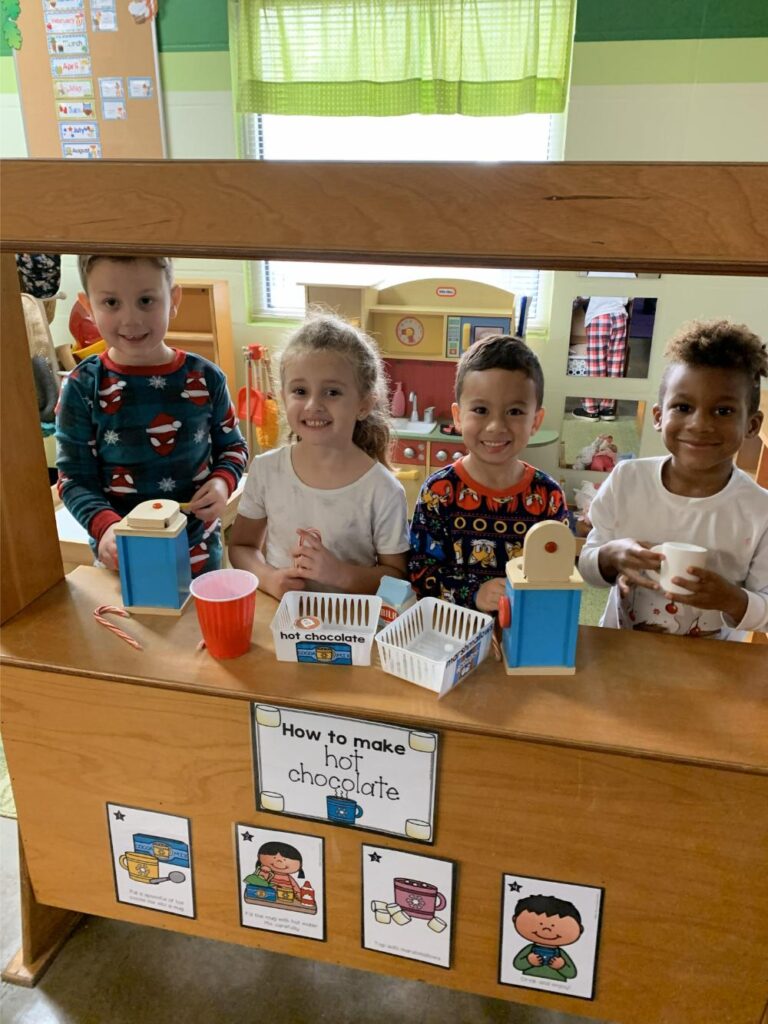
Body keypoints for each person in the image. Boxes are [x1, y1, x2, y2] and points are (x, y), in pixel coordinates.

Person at [56, 255, 247, 575]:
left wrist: (221, 482)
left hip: (198, 553)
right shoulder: (81, 386)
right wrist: (105, 527)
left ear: (173, 300)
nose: (131, 320)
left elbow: (233, 447)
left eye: (146, 300)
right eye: (111, 303)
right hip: (122, 555)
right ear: (88, 306)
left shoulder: (206, 377)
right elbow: (73, 478)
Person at [579, 319, 768, 640]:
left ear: (751, 425)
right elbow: (588, 567)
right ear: (658, 417)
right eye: (683, 407)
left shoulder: (760, 510)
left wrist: (732, 599)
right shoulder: (628, 480)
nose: (699, 424)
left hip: (711, 662)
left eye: (723, 411)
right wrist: (611, 557)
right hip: (622, 649)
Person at [229, 313, 409, 598]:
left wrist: (340, 574)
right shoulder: (265, 470)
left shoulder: (383, 490)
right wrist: (269, 579)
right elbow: (241, 547)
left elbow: (397, 578)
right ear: (284, 396)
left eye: (332, 392)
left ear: (363, 404)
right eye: (300, 391)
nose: (313, 404)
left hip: (349, 620)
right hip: (281, 616)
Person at [408, 335, 568, 612]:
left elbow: (559, 572)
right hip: (453, 630)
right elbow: (419, 574)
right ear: (458, 417)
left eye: (514, 411)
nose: (496, 426)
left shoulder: (548, 496)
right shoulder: (439, 492)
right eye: (481, 410)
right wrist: (474, 594)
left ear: (535, 421)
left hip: (524, 628)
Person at [571, 295, 629, 421]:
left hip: (599, 315)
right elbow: (630, 297)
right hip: (619, 316)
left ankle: (590, 409)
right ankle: (607, 409)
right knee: (615, 364)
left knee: (596, 363)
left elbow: (584, 294)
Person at [512, 895, 583, 981]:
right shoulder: (530, 948)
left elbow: (571, 974)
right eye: (540, 924)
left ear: (580, 929)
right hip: (527, 980)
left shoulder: (560, 953)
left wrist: (561, 966)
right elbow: (517, 964)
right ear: (515, 919)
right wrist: (529, 961)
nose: (546, 930)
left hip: (557, 985)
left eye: (554, 926)